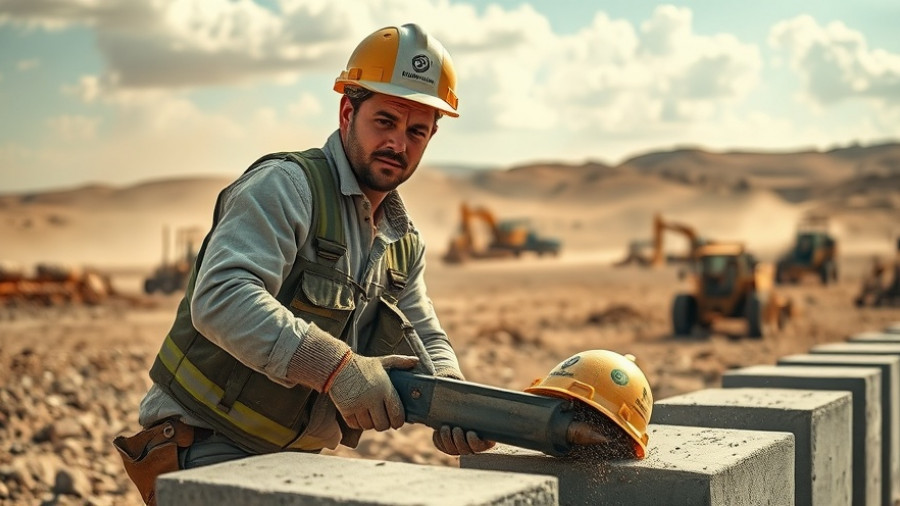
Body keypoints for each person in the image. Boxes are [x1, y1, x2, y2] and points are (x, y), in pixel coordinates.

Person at [114, 23, 493, 505]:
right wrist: (338, 369)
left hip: (299, 460)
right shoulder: (287, 187)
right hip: (208, 443)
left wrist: (453, 404)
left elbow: (425, 335)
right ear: (347, 113)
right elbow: (222, 296)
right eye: (385, 121)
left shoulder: (402, 240)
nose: (398, 143)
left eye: (417, 130)